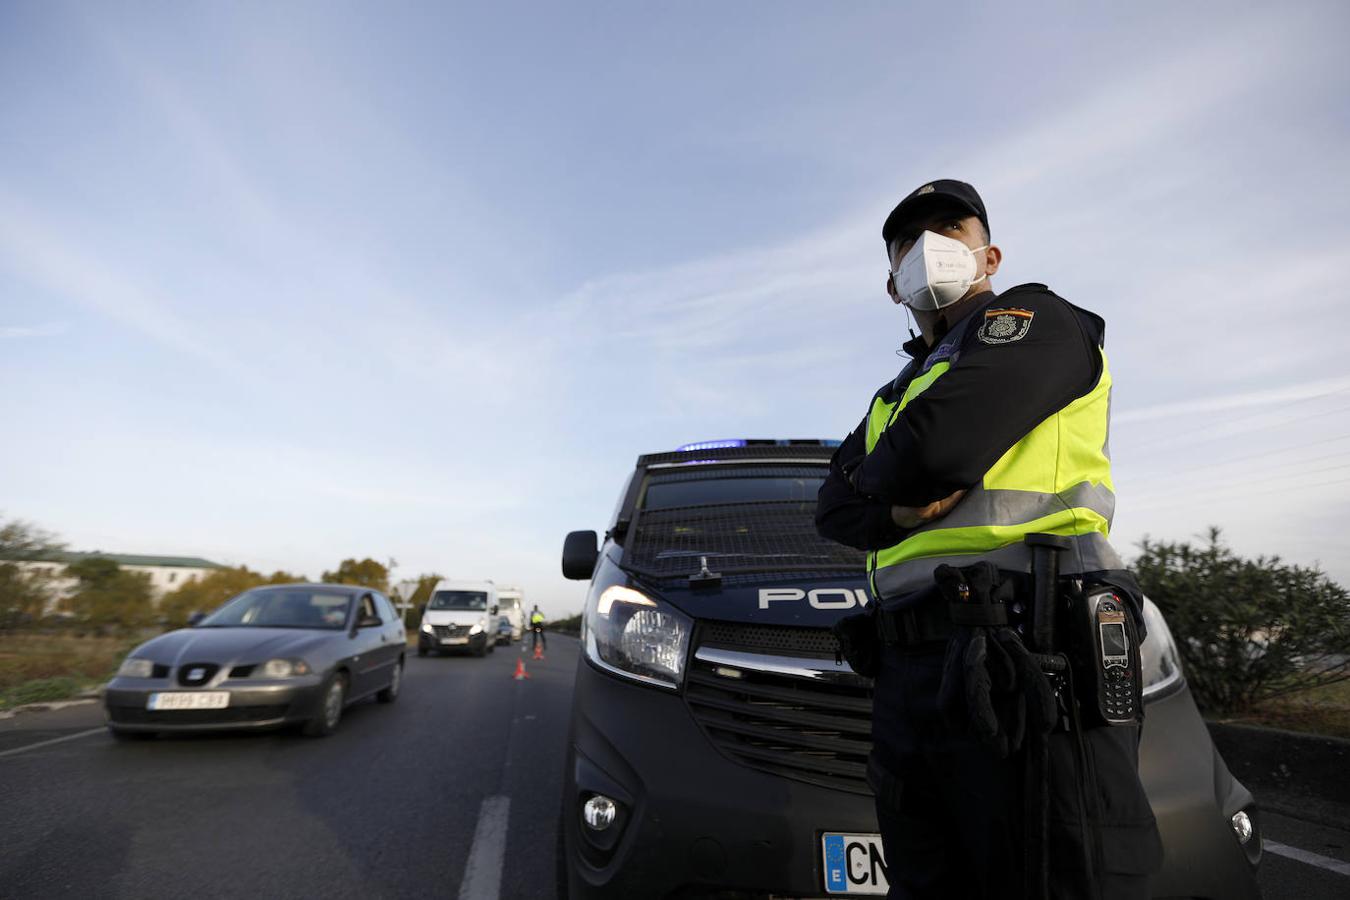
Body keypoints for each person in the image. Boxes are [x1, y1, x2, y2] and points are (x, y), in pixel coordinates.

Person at [816, 179, 1162, 899]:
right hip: (912, 671)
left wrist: (884, 478)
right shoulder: (895, 393)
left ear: (989, 254)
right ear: (892, 285)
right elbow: (831, 508)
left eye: (951, 229)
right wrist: (903, 515)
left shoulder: (1036, 320)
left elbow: (935, 448)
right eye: (910, 243)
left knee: (1051, 872)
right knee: (928, 877)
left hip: (1028, 650)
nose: (931, 250)